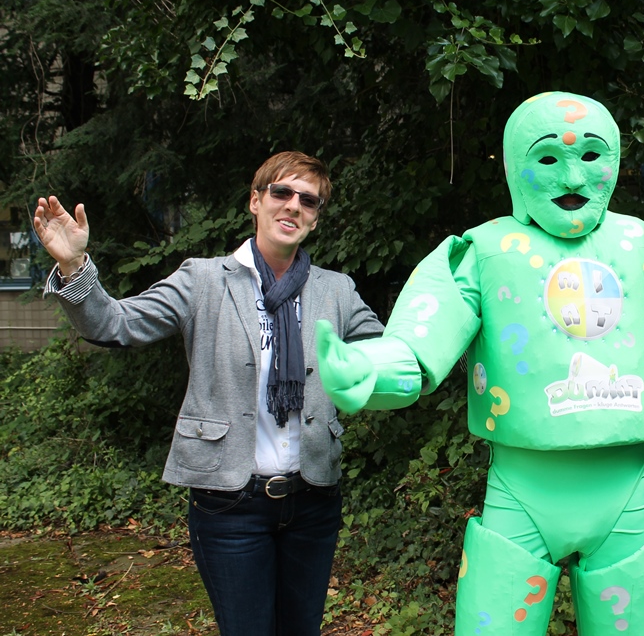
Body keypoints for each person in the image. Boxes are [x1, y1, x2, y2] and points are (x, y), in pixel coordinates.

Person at [314, 91, 644, 636]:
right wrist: (373, 371)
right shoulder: (487, 250)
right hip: (520, 500)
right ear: (517, 169)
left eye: (591, 156)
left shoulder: (639, 246)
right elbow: (422, 343)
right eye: (547, 158)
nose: (572, 176)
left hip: (628, 500)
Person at [33, 151, 383, 636]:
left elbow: (389, 357)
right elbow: (114, 324)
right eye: (282, 192)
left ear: (316, 218)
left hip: (314, 499)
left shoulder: (336, 291)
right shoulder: (203, 279)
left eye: (309, 200)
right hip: (229, 502)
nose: (294, 206)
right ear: (255, 202)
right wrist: (74, 267)